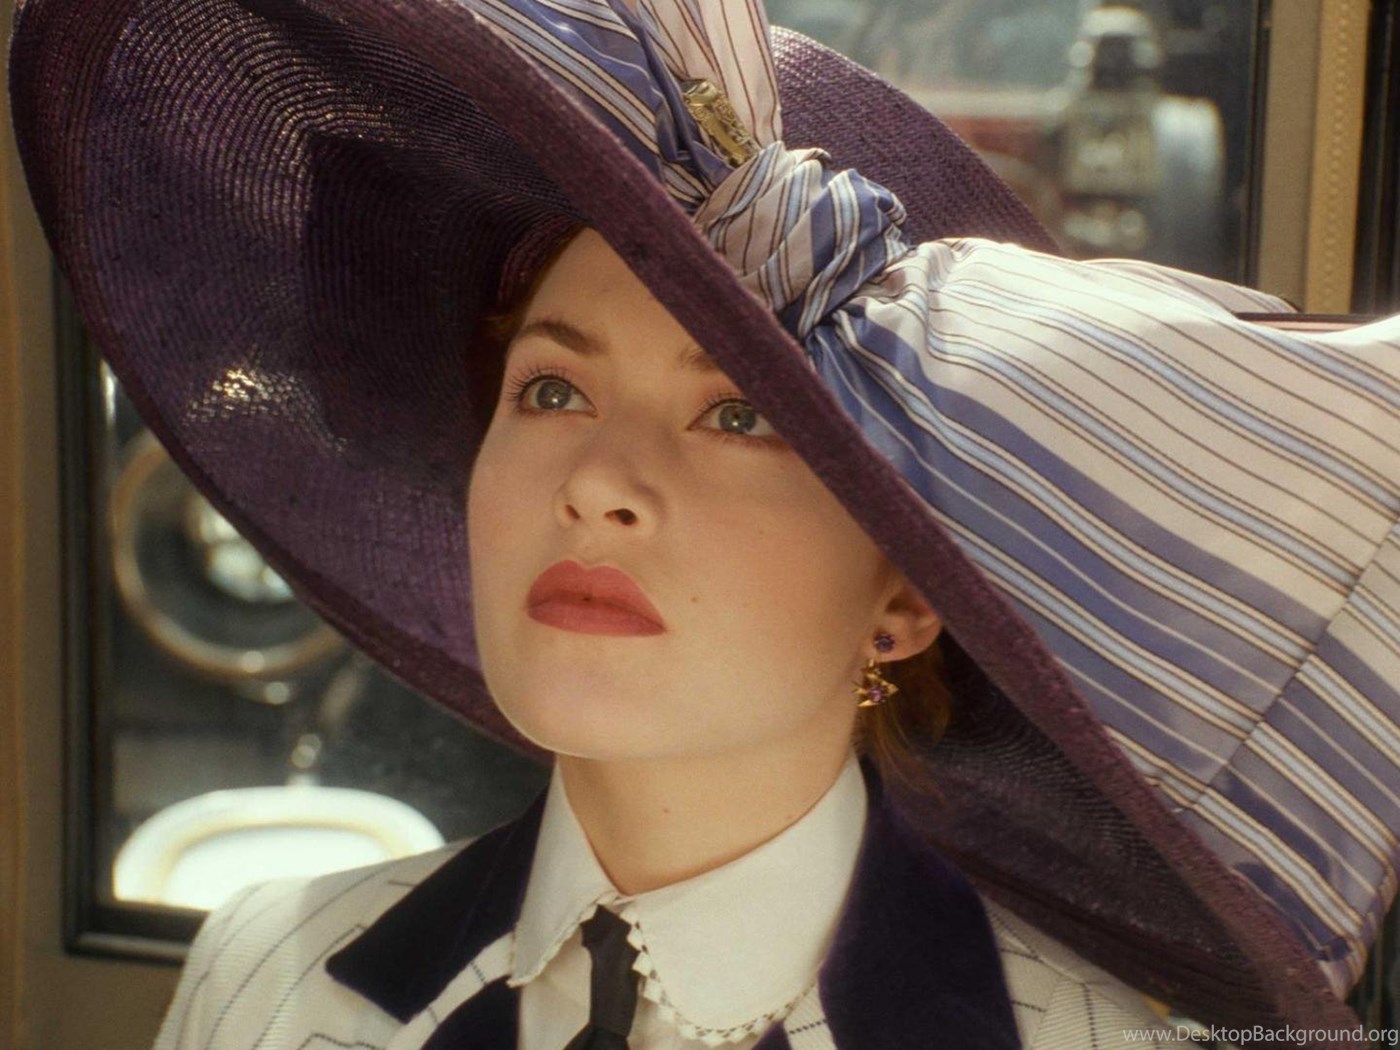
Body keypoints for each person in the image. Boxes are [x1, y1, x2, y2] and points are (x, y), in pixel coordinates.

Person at [8, 0, 1399, 1047]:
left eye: (740, 413)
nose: (598, 482)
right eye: (551, 387)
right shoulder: (267, 975)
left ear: (905, 595)